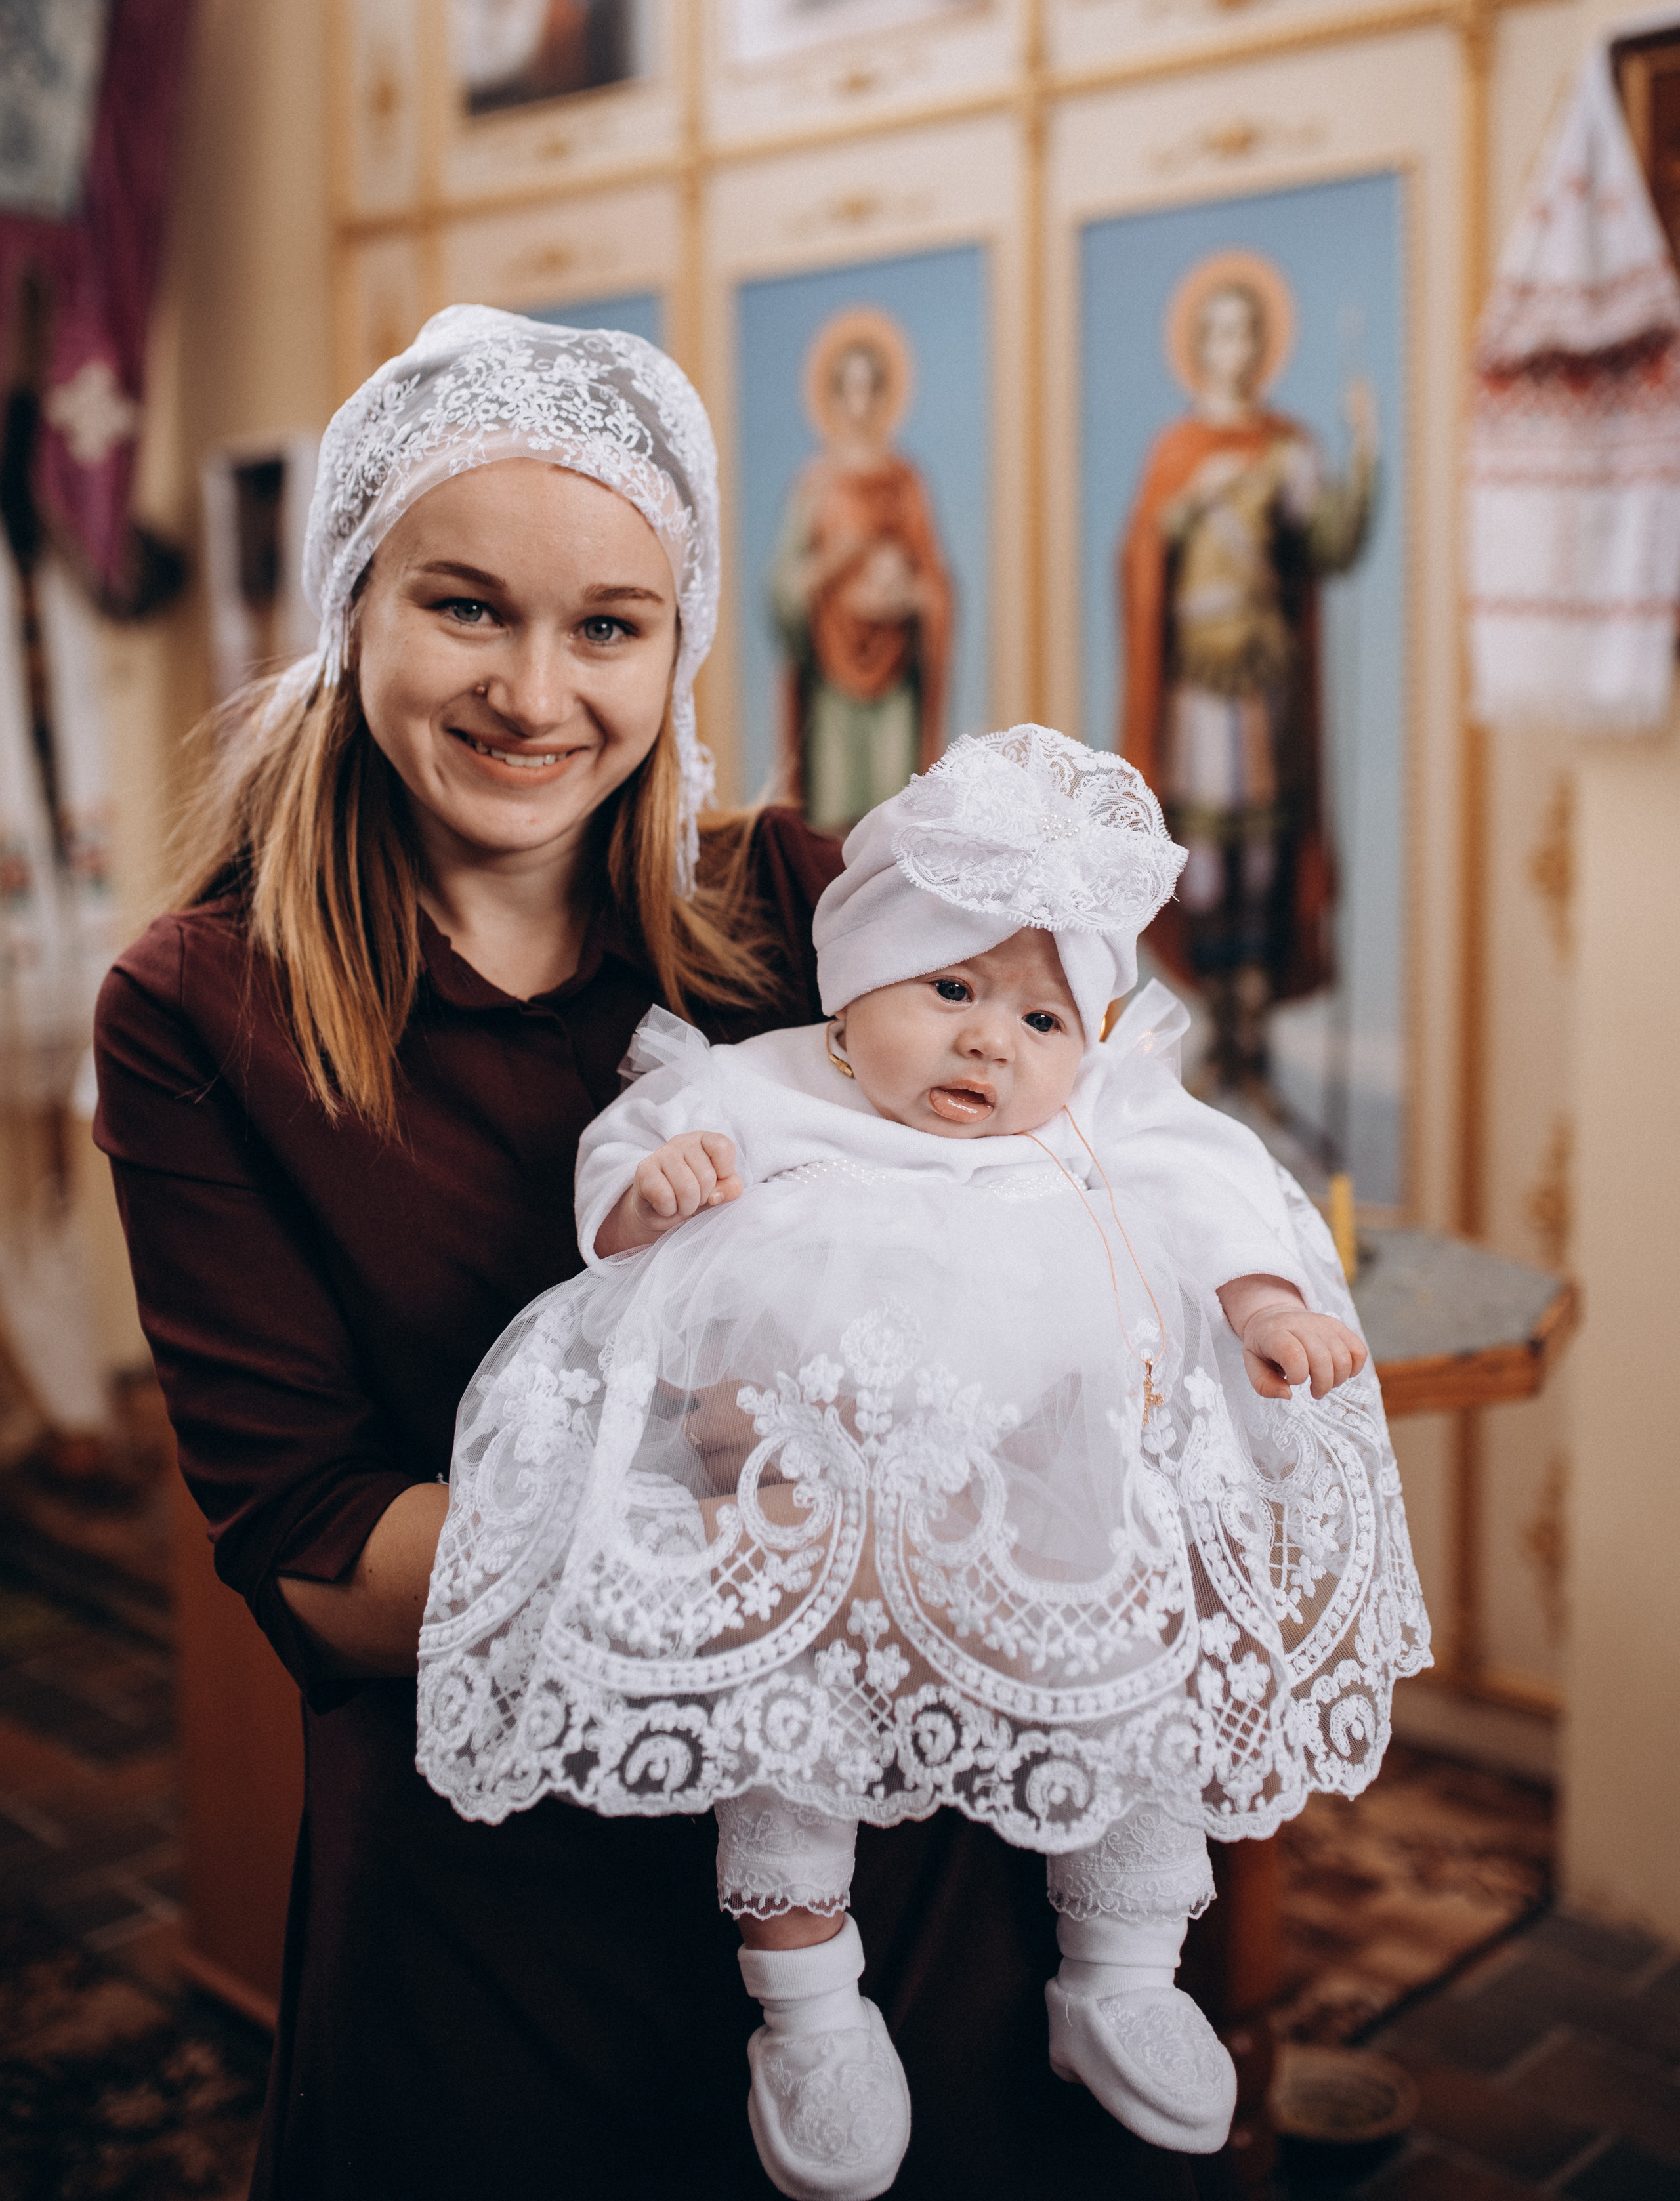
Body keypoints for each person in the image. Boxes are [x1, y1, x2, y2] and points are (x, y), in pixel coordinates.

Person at [93, 310, 1241, 2200]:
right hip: (509, 1903)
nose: (538, 690)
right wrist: (789, 1512)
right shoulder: (202, 1010)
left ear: (678, 642)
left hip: (910, 1860)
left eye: (609, 625)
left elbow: (1106, 1139)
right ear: (352, 607)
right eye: (467, 607)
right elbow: (313, 1550)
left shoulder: (805, 901)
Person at [419, 723, 1430, 2199]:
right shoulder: (766, 1084)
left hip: (1049, 1509)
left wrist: (1264, 1296)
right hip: (810, 1508)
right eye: (950, 989)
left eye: (1039, 1020)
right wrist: (647, 1194)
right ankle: (810, 2003)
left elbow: (1211, 1174)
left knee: (1138, 1678)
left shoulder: (1099, 1108)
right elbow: (639, 1137)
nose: (988, 1044)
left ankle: (1122, 1968)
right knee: (775, 1715)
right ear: (854, 983)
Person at [1119, 255, 1376, 1087]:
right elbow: (1138, 562)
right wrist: (1182, 509)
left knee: (1264, 836)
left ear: (1263, 345)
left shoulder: (1286, 449)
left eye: (1246, 331)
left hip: (1262, 674)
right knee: (1205, 840)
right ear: (1199, 345)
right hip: (1196, 673)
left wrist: (1364, 450)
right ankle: (1218, 999)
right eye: (1219, 330)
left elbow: (1328, 545)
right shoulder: (1177, 451)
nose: (1233, 347)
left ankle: (1255, 997)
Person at [772, 309, 953, 835]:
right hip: (832, 678)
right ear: (831, 399)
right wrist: (834, 562)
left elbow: (935, 582)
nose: (859, 406)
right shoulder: (815, 485)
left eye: (870, 391)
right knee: (835, 828)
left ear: (884, 397)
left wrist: (913, 597)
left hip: (895, 677)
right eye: (847, 391)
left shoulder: (905, 482)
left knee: (893, 824)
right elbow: (782, 586)